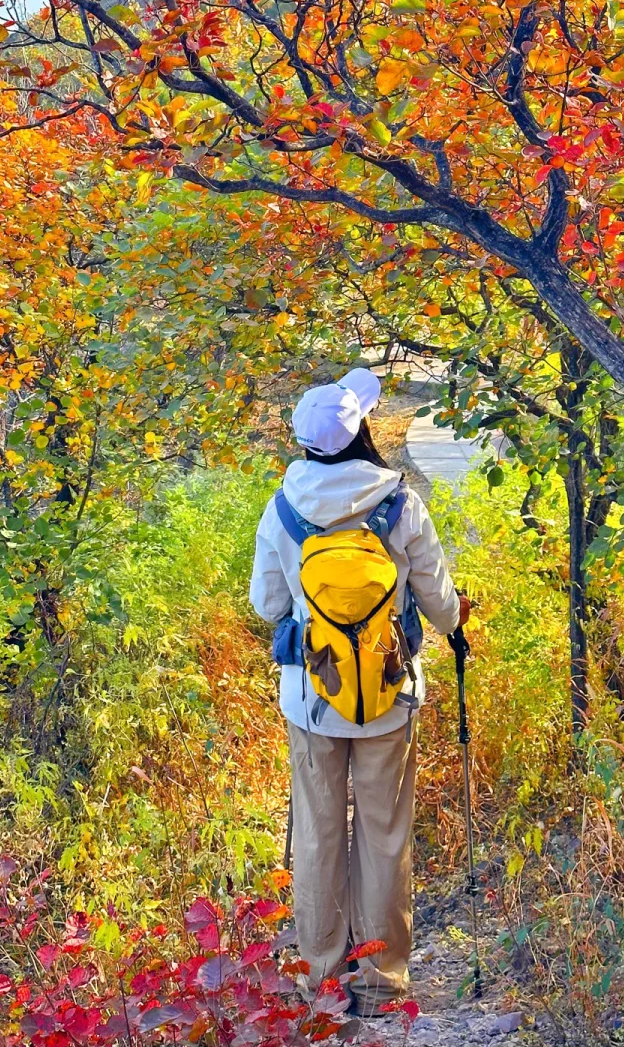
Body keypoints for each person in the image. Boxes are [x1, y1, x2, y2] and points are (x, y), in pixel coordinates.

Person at [249, 367, 469, 1016]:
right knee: (384, 835)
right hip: (389, 696)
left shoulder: (284, 505)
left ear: (307, 443)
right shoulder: (399, 502)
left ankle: (322, 982)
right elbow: (439, 601)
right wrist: (454, 624)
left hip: (312, 702)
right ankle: (381, 983)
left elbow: (266, 604)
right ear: (363, 433)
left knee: (318, 835)